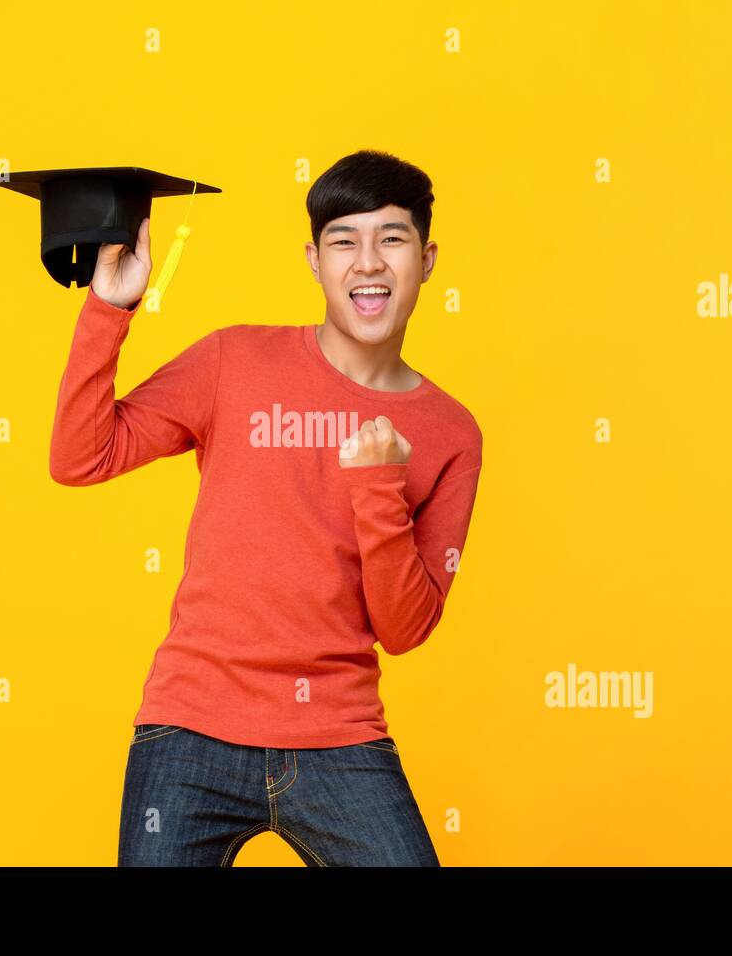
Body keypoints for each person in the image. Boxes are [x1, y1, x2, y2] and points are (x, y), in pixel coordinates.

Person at [49, 149, 483, 866]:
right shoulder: (233, 362)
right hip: (190, 729)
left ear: (427, 258)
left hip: (341, 740)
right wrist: (109, 306)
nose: (368, 263)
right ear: (314, 260)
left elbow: (405, 630)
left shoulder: (451, 432)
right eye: (345, 241)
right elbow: (81, 456)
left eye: (392, 239)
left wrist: (378, 490)